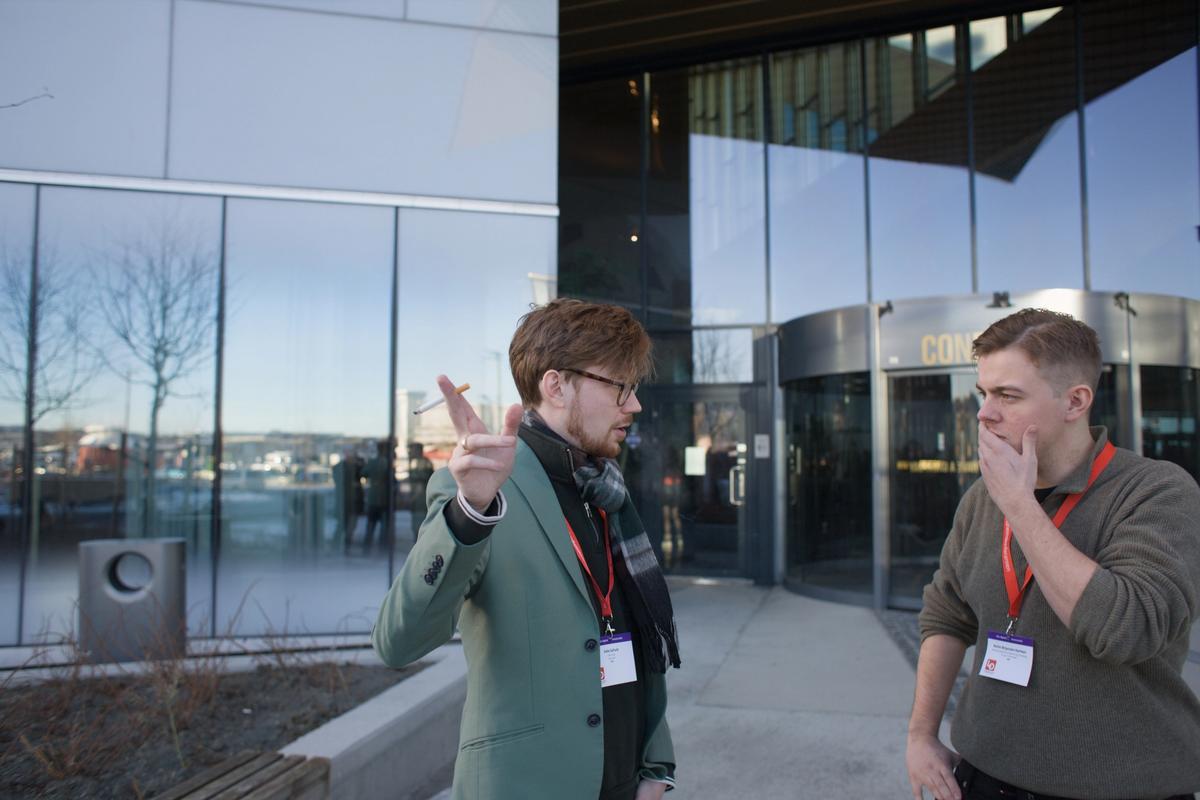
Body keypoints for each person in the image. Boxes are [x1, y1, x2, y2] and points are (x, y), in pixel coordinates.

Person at [372, 298, 679, 800]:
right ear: (556, 386)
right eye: (620, 387)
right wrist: (469, 512)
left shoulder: (606, 490)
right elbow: (397, 642)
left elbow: (633, 636)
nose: (634, 405)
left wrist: (655, 767)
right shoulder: (484, 491)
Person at [906, 308, 1200, 800]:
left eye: (1008, 395)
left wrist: (1021, 507)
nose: (984, 413)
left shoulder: (1157, 491)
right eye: (983, 393)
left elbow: (1125, 629)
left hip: (1123, 788)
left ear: (1075, 402)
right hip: (983, 776)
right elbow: (946, 614)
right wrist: (920, 734)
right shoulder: (983, 498)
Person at [361, 439, 392, 555]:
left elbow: (363, 473)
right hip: (384, 499)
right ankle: (382, 551)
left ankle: (366, 550)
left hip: (374, 498)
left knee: (370, 526)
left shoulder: (373, 462)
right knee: (383, 528)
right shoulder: (388, 463)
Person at [406, 441, 434, 540]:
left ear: (418, 450)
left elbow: (421, 483)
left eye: (412, 450)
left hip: (420, 497)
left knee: (419, 522)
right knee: (416, 522)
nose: (410, 452)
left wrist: (413, 498)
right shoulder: (415, 462)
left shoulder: (423, 463)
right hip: (417, 496)